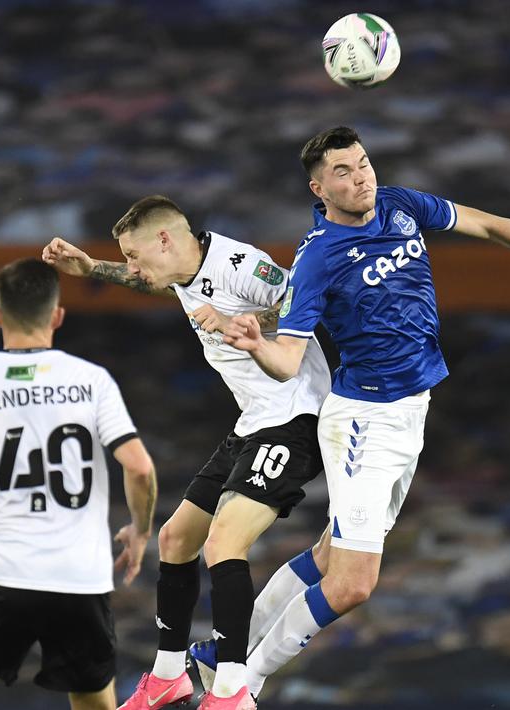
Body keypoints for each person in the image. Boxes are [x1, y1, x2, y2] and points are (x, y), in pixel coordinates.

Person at [223, 125, 510, 701]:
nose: (362, 177)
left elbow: (490, 225)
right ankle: (240, 686)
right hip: (362, 421)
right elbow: (290, 359)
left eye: (364, 163)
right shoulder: (318, 258)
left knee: (329, 555)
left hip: (410, 411)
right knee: (353, 584)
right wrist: (256, 346)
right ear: (318, 188)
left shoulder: (400, 205)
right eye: (344, 172)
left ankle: (217, 653)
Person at [43, 195, 333, 710]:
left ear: (165, 240)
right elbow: (147, 280)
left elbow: (302, 299)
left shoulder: (241, 265)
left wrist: (237, 321)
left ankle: (231, 690)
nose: (132, 267)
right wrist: (91, 268)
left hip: (296, 419)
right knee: (175, 539)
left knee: (224, 542)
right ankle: (169, 677)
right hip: (253, 423)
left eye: (134, 255)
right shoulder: (181, 269)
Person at [0, 258, 157, 710]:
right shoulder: (91, 380)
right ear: (57, 315)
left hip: (4, 574)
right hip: (81, 578)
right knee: (93, 703)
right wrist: (140, 531)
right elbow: (140, 468)